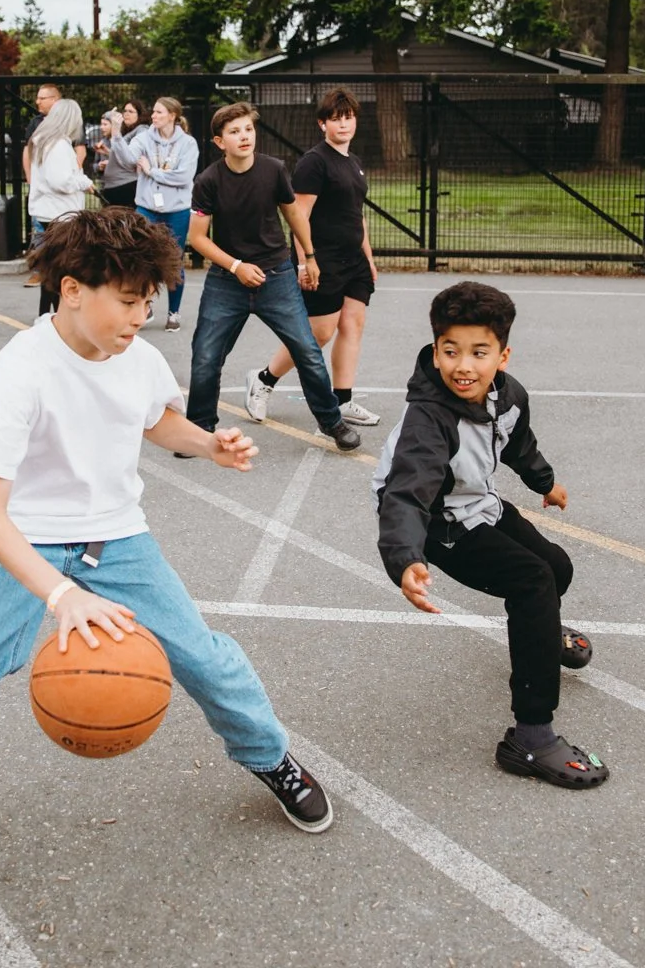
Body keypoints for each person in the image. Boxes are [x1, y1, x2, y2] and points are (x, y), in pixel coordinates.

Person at [0, 208, 334, 834]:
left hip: (115, 536)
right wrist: (61, 596)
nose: (141, 317)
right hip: (25, 536)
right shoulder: (19, 370)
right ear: (73, 290)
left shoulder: (137, 357)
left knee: (206, 661)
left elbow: (154, 419)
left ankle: (270, 757)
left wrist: (206, 445)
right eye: (129, 301)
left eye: (149, 303)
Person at [371, 281, 607, 791]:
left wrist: (546, 484)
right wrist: (405, 557)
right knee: (532, 582)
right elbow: (405, 494)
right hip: (435, 523)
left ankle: (540, 635)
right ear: (435, 349)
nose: (463, 366)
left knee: (557, 567)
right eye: (450, 350)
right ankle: (531, 739)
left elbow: (519, 444)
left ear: (502, 355)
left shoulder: (509, 395)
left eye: (479, 352)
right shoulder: (428, 420)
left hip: (477, 502)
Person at [185, 102, 360, 453]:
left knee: (307, 350)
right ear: (220, 142)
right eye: (234, 131)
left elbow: (294, 214)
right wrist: (236, 266)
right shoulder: (208, 181)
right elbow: (197, 238)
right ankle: (199, 430)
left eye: (248, 129)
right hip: (227, 281)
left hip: (276, 275)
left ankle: (331, 421)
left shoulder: (274, 170)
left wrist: (308, 257)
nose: (244, 136)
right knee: (205, 356)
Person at [246, 88, 380, 427]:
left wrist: (368, 258)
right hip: (324, 260)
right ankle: (263, 380)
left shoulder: (354, 162)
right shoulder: (314, 162)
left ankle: (343, 400)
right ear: (322, 124)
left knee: (353, 324)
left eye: (348, 117)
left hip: (354, 261)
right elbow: (298, 216)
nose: (343, 124)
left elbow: (357, 215)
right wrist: (306, 261)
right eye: (335, 119)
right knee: (318, 334)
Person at [108, 96, 196, 332]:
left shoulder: (188, 143)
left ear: (172, 115)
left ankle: (174, 312)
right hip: (147, 207)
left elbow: (183, 177)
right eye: (153, 112)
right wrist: (116, 133)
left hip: (176, 210)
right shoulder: (144, 137)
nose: (153, 116)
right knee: (141, 260)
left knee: (174, 261)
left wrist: (151, 171)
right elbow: (127, 160)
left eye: (158, 112)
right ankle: (145, 306)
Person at [26, 99, 95, 317]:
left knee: (52, 267)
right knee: (61, 268)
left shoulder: (44, 141)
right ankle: (54, 318)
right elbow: (61, 181)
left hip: (48, 211)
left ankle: (47, 316)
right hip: (60, 213)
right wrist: (83, 182)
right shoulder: (58, 145)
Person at [20, 83, 72, 285]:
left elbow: (79, 149)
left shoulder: (68, 123)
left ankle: (60, 272)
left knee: (61, 236)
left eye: (42, 98)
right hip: (43, 189)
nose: (37, 102)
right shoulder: (36, 123)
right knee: (40, 229)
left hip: (61, 192)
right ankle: (40, 269)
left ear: (55, 100)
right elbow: (28, 151)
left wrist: (73, 176)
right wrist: (31, 177)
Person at [96, 100, 144, 208]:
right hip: (115, 187)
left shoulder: (141, 130)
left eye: (131, 111)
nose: (126, 114)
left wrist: (116, 132)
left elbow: (132, 159)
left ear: (139, 115)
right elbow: (123, 156)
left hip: (127, 186)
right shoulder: (126, 131)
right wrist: (108, 153)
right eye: (125, 111)